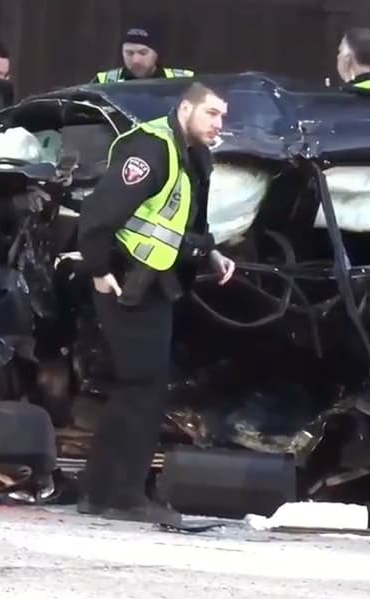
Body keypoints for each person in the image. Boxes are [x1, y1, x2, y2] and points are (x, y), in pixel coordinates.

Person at [74, 82, 236, 523]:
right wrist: (99, 270)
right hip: (124, 280)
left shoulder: (197, 155)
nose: (218, 124)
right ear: (185, 109)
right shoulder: (151, 149)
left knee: (137, 386)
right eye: (211, 114)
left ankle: (99, 492)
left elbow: (190, 221)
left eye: (222, 116)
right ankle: (122, 495)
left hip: (155, 282)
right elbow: (99, 215)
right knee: (142, 387)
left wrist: (213, 252)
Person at [91, 25, 193, 83]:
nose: (136, 60)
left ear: (156, 53)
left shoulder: (182, 80)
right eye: (129, 53)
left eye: (143, 53)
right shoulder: (104, 82)